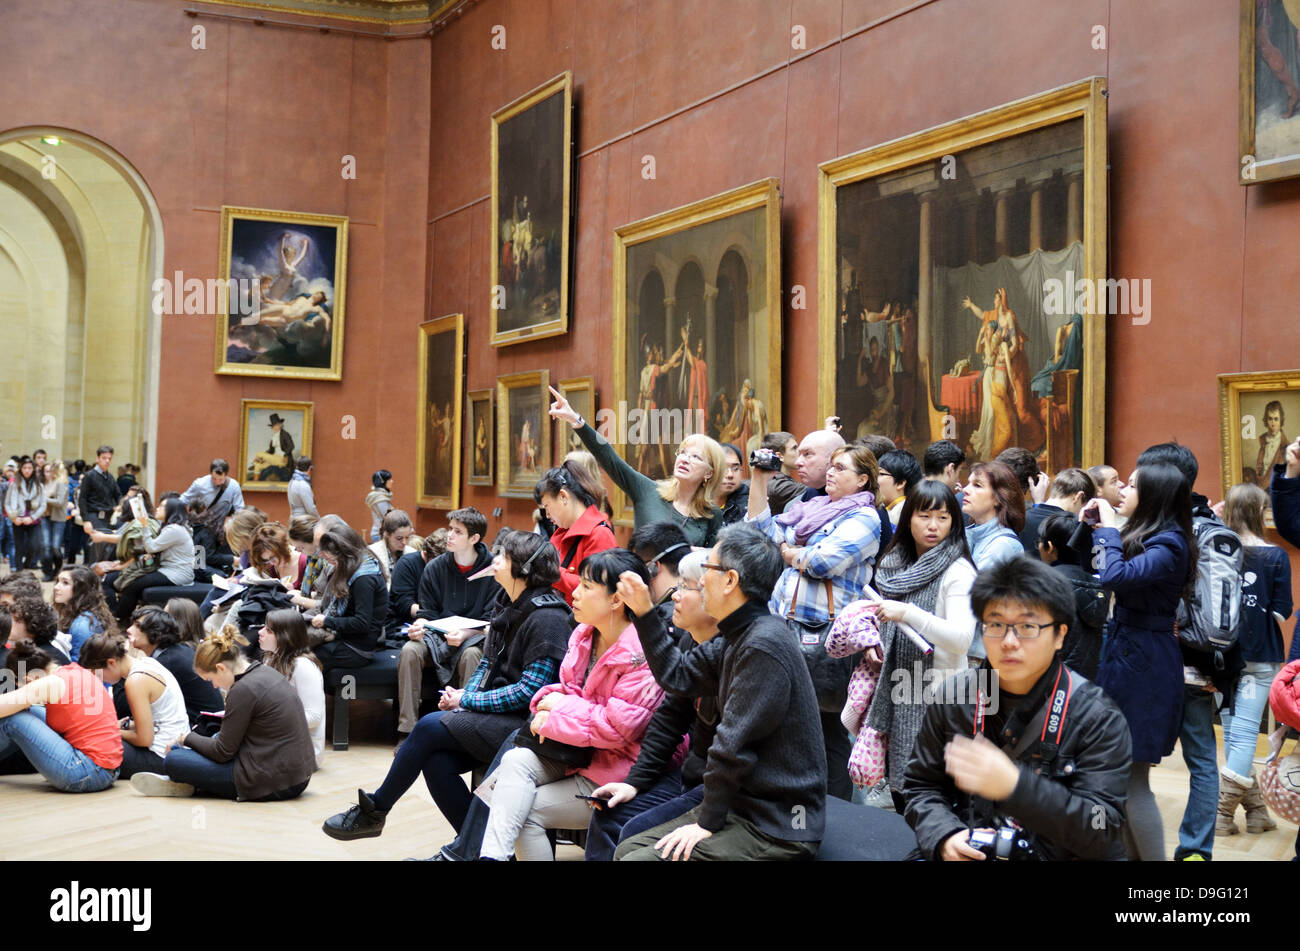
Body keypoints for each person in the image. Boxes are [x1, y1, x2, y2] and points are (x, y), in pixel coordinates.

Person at [321, 531, 572, 844]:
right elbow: (488, 662)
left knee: (427, 727)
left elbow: (529, 692)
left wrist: (470, 700)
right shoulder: (507, 601)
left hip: (526, 727)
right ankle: (475, 845)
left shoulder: (548, 617)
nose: (493, 562)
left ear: (522, 567)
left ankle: (376, 809)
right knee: (436, 761)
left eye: (501, 557)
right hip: (499, 717)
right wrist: (464, 697)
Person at [614, 524, 826, 861]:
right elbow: (678, 676)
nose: (699, 581)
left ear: (730, 580)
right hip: (742, 806)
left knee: (638, 860)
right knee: (630, 847)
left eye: (707, 569)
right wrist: (644, 612)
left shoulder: (763, 644)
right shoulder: (738, 634)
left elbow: (732, 746)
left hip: (779, 824)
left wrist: (706, 822)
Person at [902, 557, 1132, 861]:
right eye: (995, 624)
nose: (1009, 642)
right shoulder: (955, 696)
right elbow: (921, 785)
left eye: (1027, 626)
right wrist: (945, 836)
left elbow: (1102, 826)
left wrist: (1017, 788)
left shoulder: (1098, 717)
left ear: (1060, 634)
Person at [472, 549, 664, 861]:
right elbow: (565, 689)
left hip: (616, 770)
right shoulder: (584, 634)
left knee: (524, 812)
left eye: (587, 587)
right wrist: (549, 702)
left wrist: (553, 713)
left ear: (616, 600)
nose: (574, 592)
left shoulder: (643, 654)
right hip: (576, 751)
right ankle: (491, 857)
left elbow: (616, 729)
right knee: (515, 761)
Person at [746, 443, 882, 799]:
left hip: (828, 638)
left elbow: (824, 563)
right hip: (784, 627)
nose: (832, 473)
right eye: (832, 467)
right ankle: (792, 801)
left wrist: (789, 553)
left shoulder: (865, 518)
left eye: (841, 468)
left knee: (826, 726)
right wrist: (758, 483)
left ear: (863, 479)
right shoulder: (811, 508)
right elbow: (761, 538)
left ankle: (836, 810)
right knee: (788, 723)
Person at [1082, 461, 1195, 861]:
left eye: (1132, 485)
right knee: (1120, 777)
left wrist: (1110, 530)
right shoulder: (1147, 534)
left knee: (1133, 779)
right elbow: (1101, 571)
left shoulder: (1171, 543)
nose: (1123, 491)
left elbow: (1114, 576)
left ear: (1155, 497)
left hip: (1146, 660)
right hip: (1127, 648)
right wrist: (1095, 529)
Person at [585, 550, 720, 860]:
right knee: (610, 813)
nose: (674, 596)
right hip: (690, 774)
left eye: (685, 587)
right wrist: (634, 783)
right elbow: (670, 718)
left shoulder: (737, 651)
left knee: (635, 833)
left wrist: (708, 817)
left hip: (721, 787)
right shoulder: (690, 641)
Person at [861, 479, 978, 808]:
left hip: (940, 697)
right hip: (896, 690)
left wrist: (909, 613)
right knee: (902, 794)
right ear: (908, 518)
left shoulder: (957, 570)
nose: (933, 526)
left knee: (929, 795)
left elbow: (961, 639)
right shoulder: (893, 565)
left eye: (943, 518)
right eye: (925, 516)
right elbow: (882, 619)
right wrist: (874, 640)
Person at [129, 628, 315, 800]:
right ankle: (186, 782)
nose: (215, 686)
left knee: (174, 758)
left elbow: (222, 752)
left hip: (272, 782)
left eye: (211, 680)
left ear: (221, 668)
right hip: (295, 775)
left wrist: (185, 737)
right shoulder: (263, 672)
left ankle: (184, 781)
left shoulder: (243, 689)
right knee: (185, 750)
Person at [550, 385, 725, 546]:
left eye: (696, 457)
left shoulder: (712, 515)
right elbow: (610, 459)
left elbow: (713, 562)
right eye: (683, 453)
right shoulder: (647, 491)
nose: (685, 459)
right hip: (636, 578)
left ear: (709, 473)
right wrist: (575, 419)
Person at [1218, 482, 1291, 834]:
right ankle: (1221, 814)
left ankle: (1258, 813)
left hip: (1219, 653)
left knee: (1234, 734)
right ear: (1257, 512)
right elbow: (1282, 613)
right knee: (1246, 734)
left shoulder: (1214, 551)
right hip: (1259, 654)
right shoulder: (1274, 556)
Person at [398, 508, 496, 740]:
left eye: (457, 531)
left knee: (473, 654)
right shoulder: (435, 567)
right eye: (450, 529)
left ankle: (463, 724)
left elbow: (492, 620)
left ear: (474, 538)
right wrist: (419, 625)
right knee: (410, 650)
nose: (449, 535)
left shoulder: (493, 570)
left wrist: (465, 633)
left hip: (474, 635)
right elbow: (427, 612)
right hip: (437, 634)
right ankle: (406, 730)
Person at [0, 641, 121, 792]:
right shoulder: (75, 670)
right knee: (30, 710)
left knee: (12, 719)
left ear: (29, 679)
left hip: (87, 773)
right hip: (109, 770)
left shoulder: (49, 683)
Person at [77, 632, 189, 779]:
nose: (98, 679)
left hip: (159, 757)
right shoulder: (147, 663)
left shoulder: (135, 681)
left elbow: (144, 739)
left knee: (88, 741)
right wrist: (123, 727)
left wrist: (109, 730)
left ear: (111, 662)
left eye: (96, 673)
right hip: (174, 748)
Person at [95, 496, 195, 623]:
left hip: (176, 573)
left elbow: (151, 547)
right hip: (168, 570)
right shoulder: (172, 527)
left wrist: (145, 525)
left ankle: (119, 616)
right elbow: (154, 549)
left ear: (171, 510)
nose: (157, 508)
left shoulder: (174, 529)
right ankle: (120, 614)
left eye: (162, 506)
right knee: (127, 579)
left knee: (134, 583)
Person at [119, 605, 224, 727]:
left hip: (201, 730)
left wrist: (123, 659)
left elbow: (124, 708)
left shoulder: (167, 662)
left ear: (155, 632)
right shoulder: (174, 652)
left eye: (138, 626)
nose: (129, 630)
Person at [1036, 514, 1108, 679]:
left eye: (1039, 542)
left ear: (1050, 547)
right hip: (1081, 686)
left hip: (1046, 682)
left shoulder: (1043, 584)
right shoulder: (1101, 587)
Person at [310, 524, 388, 677]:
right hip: (347, 639)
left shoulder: (364, 578)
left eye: (333, 560)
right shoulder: (358, 567)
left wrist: (327, 621)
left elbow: (361, 623)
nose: (333, 565)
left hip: (357, 649)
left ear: (345, 555)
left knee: (303, 659)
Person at [535, 463, 617, 604]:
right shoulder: (562, 532)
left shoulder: (599, 534)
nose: (547, 515)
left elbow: (597, 591)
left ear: (563, 496)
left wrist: (549, 571)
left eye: (547, 506)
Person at [258, 609, 325, 769]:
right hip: (277, 739)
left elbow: (314, 717)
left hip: (303, 752)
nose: (260, 632)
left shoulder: (304, 666)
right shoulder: (270, 658)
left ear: (285, 636)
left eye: (268, 630)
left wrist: (266, 720)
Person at [1020, 467, 1096, 556]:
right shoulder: (1074, 526)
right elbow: (1098, 563)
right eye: (1085, 505)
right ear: (1078, 497)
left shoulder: (1022, 519)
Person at [385, 530, 445, 636]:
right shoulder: (406, 564)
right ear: (425, 554)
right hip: (404, 624)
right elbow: (404, 605)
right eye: (436, 563)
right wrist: (433, 615)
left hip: (435, 623)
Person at [52, 566, 116, 663]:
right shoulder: (73, 611)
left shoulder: (83, 626)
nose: (56, 587)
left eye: (65, 583)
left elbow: (80, 668)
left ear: (81, 589)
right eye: (58, 581)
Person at [78, 445, 122, 564]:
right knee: (96, 548)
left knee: (106, 548)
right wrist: (86, 520)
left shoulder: (110, 477)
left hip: (107, 517)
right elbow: (82, 499)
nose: (107, 461)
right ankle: (92, 576)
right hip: (93, 516)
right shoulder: (89, 475)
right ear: (98, 458)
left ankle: (100, 577)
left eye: (109, 458)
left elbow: (118, 494)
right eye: (104, 458)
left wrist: (119, 504)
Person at [4, 456, 46, 572]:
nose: (27, 470)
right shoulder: (14, 484)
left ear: (33, 469)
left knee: (34, 546)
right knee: (19, 548)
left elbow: (43, 505)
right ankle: (18, 571)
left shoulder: (39, 485)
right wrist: (13, 517)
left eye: (29, 468)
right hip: (18, 519)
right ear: (21, 469)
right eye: (25, 468)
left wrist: (32, 517)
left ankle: (27, 565)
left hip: (33, 520)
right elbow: (7, 503)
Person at [8, 595, 71, 665]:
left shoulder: (46, 658)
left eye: (17, 620)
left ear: (34, 626)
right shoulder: (29, 652)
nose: (10, 622)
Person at [366, 509, 417, 586]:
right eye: (399, 538)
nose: (404, 542)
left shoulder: (413, 553)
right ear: (387, 534)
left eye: (407, 537)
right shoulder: (372, 553)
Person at [793, 428, 846, 502]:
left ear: (833, 457)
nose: (797, 462)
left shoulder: (852, 497)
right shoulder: (811, 492)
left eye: (807, 454)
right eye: (799, 454)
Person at [876, 448, 922, 527]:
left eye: (881, 473)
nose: (875, 479)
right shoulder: (888, 510)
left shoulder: (903, 515)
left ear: (900, 483)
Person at [760, 431, 804, 515]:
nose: (799, 452)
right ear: (780, 456)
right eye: (794, 448)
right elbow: (815, 493)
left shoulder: (774, 480)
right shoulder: (779, 485)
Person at [42, 461, 69, 580]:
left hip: (58, 518)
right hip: (45, 517)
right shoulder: (48, 483)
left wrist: (44, 499)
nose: (49, 472)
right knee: (46, 545)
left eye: (51, 470)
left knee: (55, 546)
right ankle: (47, 572)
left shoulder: (62, 483)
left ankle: (58, 568)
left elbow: (59, 502)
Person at [1255, 400, 1288, 488]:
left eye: (1276, 419)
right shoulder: (1263, 443)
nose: (1273, 424)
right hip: (1262, 490)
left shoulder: (1286, 447)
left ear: (1281, 421)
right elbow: (1259, 471)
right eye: (1270, 419)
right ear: (1266, 420)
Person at [714, 443, 750, 525]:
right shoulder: (694, 498)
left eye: (735, 469)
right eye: (723, 468)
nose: (730, 475)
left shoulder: (748, 502)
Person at [365, 469, 394, 543]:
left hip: (381, 533)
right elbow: (387, 516)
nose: (392, 481)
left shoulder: (381, 496)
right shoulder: (380, 498)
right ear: (383, 481)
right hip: (379, 534)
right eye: (389, 479)